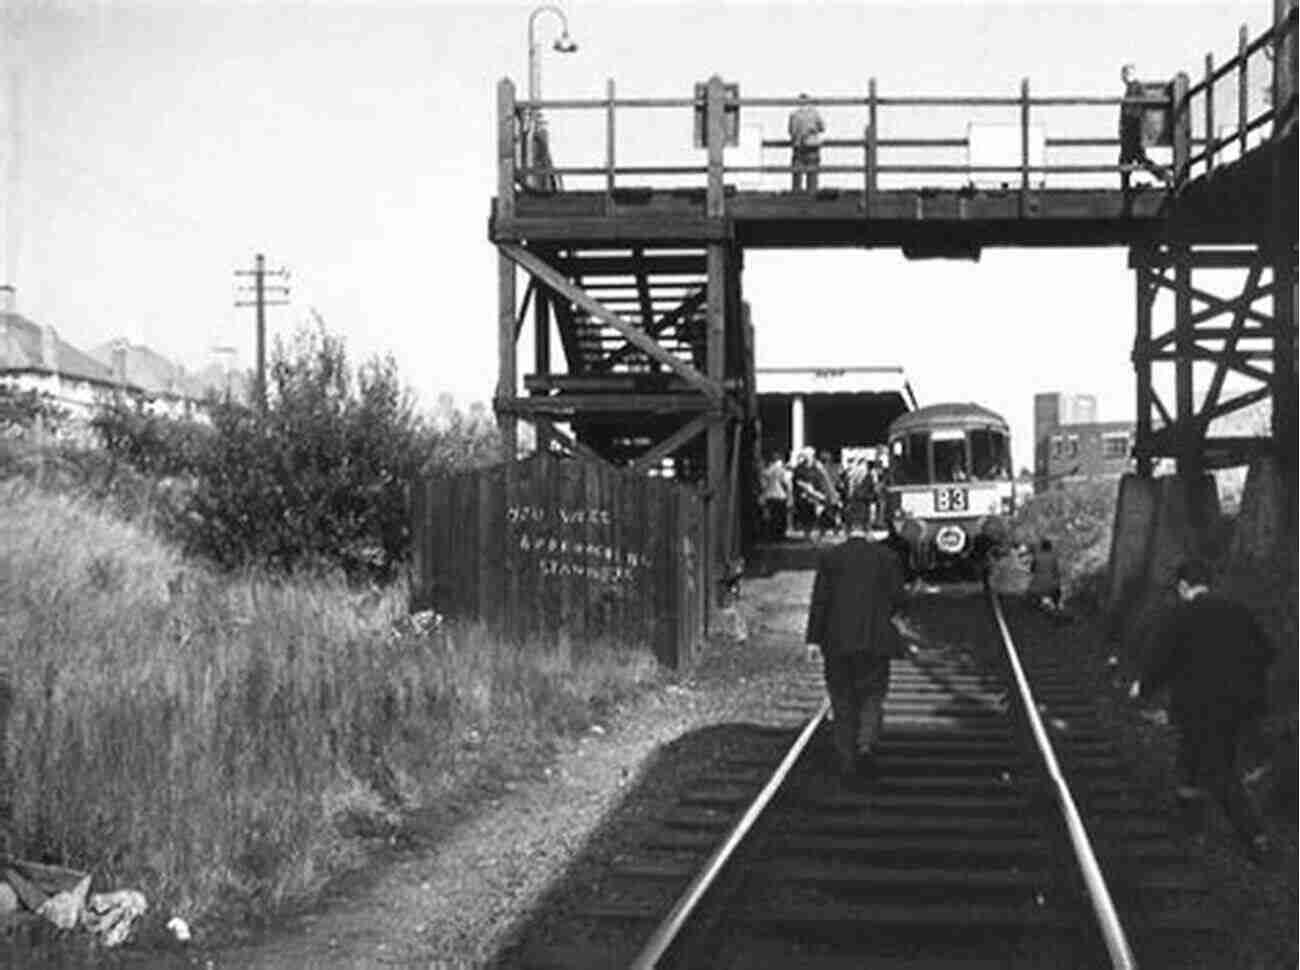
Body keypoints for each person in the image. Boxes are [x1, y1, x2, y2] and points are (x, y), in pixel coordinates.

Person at [1128, 559, 1276, 861]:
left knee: (1217, 770)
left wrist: (1142, 688)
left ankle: (1254, 835)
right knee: (1193, 760)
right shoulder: (1239, 611)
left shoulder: (1182, 614)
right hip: (1238, 706)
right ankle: (1191, 828)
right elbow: (1267, 652)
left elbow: (1162, 659)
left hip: (1199, 706)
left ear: (1184, 586)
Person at [805, 500, 911, 785]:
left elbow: (820, 601)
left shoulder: (830, 558)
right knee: (873, 695)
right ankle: (866, 745)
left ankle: (846, 762)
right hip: (876, 641)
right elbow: (899, 599)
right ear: (869, 523)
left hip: (837, 642)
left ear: (844, 525)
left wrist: (812, 640)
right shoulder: (886, 557)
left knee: (842, 699)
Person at [1119, 63, 1171, 201]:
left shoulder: (1136, 88)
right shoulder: (1131, 89)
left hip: (1133, 129)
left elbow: (1140, 106)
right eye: (1123, 74)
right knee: (1134, 159)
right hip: (1131, 130)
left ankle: (1126, 189)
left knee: (1128, 160)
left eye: (1125, 73)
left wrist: (1132, 121)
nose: (1123, 76)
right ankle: (1164, 176)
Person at [788, 93, 826, 193]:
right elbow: (822, 128)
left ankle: (797, 194)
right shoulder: (815, 113)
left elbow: (791, 130)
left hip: (798, 145)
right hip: (812, 144)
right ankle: (812, 192)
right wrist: (812, 129)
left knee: (797, 172)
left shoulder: (794, 115)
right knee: (812, 172)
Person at [791, 449, 824, 541]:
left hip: (815, 496)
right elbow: (796, 481)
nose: (810, 457)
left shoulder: (816, 468)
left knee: (813, 515)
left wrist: (819, 493)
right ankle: (807, 535)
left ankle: (810, 534)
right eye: (808, 455)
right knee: (804, 515)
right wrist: (805, 487)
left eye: (811, 455)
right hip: (803, 495)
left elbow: (819, 481)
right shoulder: (799, 468)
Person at [758, 453, 791, 542]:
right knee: (780, 517)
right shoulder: (780, 469)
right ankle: (780, 535)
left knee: (773, 517)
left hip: (770, 495)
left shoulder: (767, 470)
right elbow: (786, 482)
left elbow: (763, 484)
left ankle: (772, 535)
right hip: (780, 495)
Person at [1028, 538, 1062, 612]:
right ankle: (1057, 605)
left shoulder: (1037, 556)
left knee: (1031, 589)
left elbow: (1031, 570)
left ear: (1042, 547)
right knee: (1057, 589)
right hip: (1051, 586)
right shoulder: (1054, 557)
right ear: (1050, 547)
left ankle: (1038, 603)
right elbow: (1056, 571)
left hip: (1038, 585)